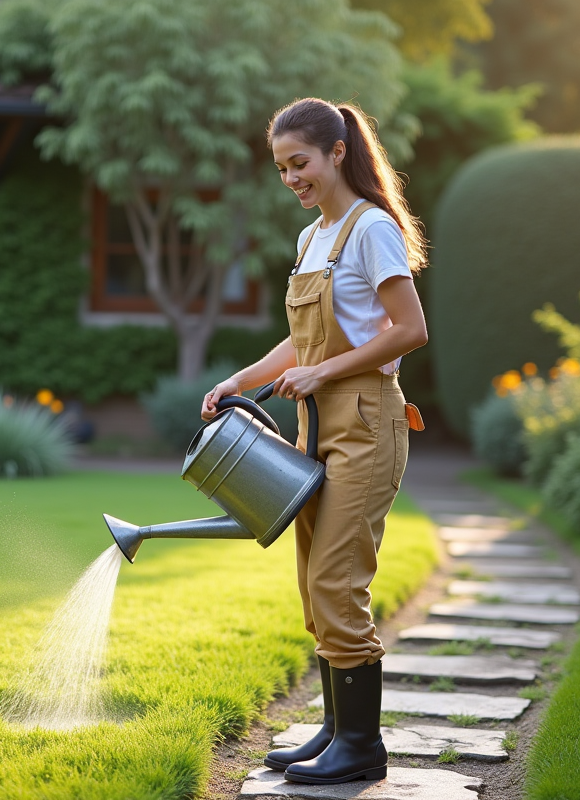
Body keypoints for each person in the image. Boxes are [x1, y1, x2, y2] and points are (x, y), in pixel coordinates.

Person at [201, 97, 428, 786]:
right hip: (317, 424)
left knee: (338, 581)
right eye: (280, 168)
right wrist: (240, 378)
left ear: (336, 152)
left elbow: (410, 328)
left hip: (365, 420)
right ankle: (335, 731)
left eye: (298, 163)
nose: (290, 178)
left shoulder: (371, 229)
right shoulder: (312, 239)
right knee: (313, 584)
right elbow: (299, 341)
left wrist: (321, 370)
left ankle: (362, 747)